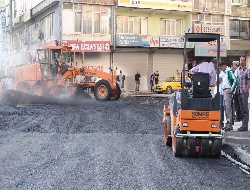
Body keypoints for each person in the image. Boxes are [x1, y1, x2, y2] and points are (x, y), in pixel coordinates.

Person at [222, 62, 238, 131]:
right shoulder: (226, 72)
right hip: (225, 90)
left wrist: (232, 89)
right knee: (226, 107)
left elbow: (235, 80)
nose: (221, 69)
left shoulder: (229, 71)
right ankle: (228, 123)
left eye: (221, 67)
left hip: (228, 90)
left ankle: (229, 125)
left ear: (224, 66)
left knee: (228, 108)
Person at [237, 56, 250, 131]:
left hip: (244, 92)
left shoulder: (247, 70)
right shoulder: (238, 70)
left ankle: (245, 126)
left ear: (245, 61)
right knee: (241, 110)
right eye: (241, 60)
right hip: (238, 92)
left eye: (243, 60)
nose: (242, 61)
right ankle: (243, 125)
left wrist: (246, 90)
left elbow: (249, 81)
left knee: (245, 110)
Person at [214, 62, 227, 128]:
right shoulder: (221, 74)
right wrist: (220, 79)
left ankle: (221, 122)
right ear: (222, 66)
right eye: (225, 66)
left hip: (222, 92)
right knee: (220, 107)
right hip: (219, 93)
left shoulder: (225, 73)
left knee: (222, 107)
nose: (226, 67)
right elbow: (216, 82)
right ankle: (220, 122)